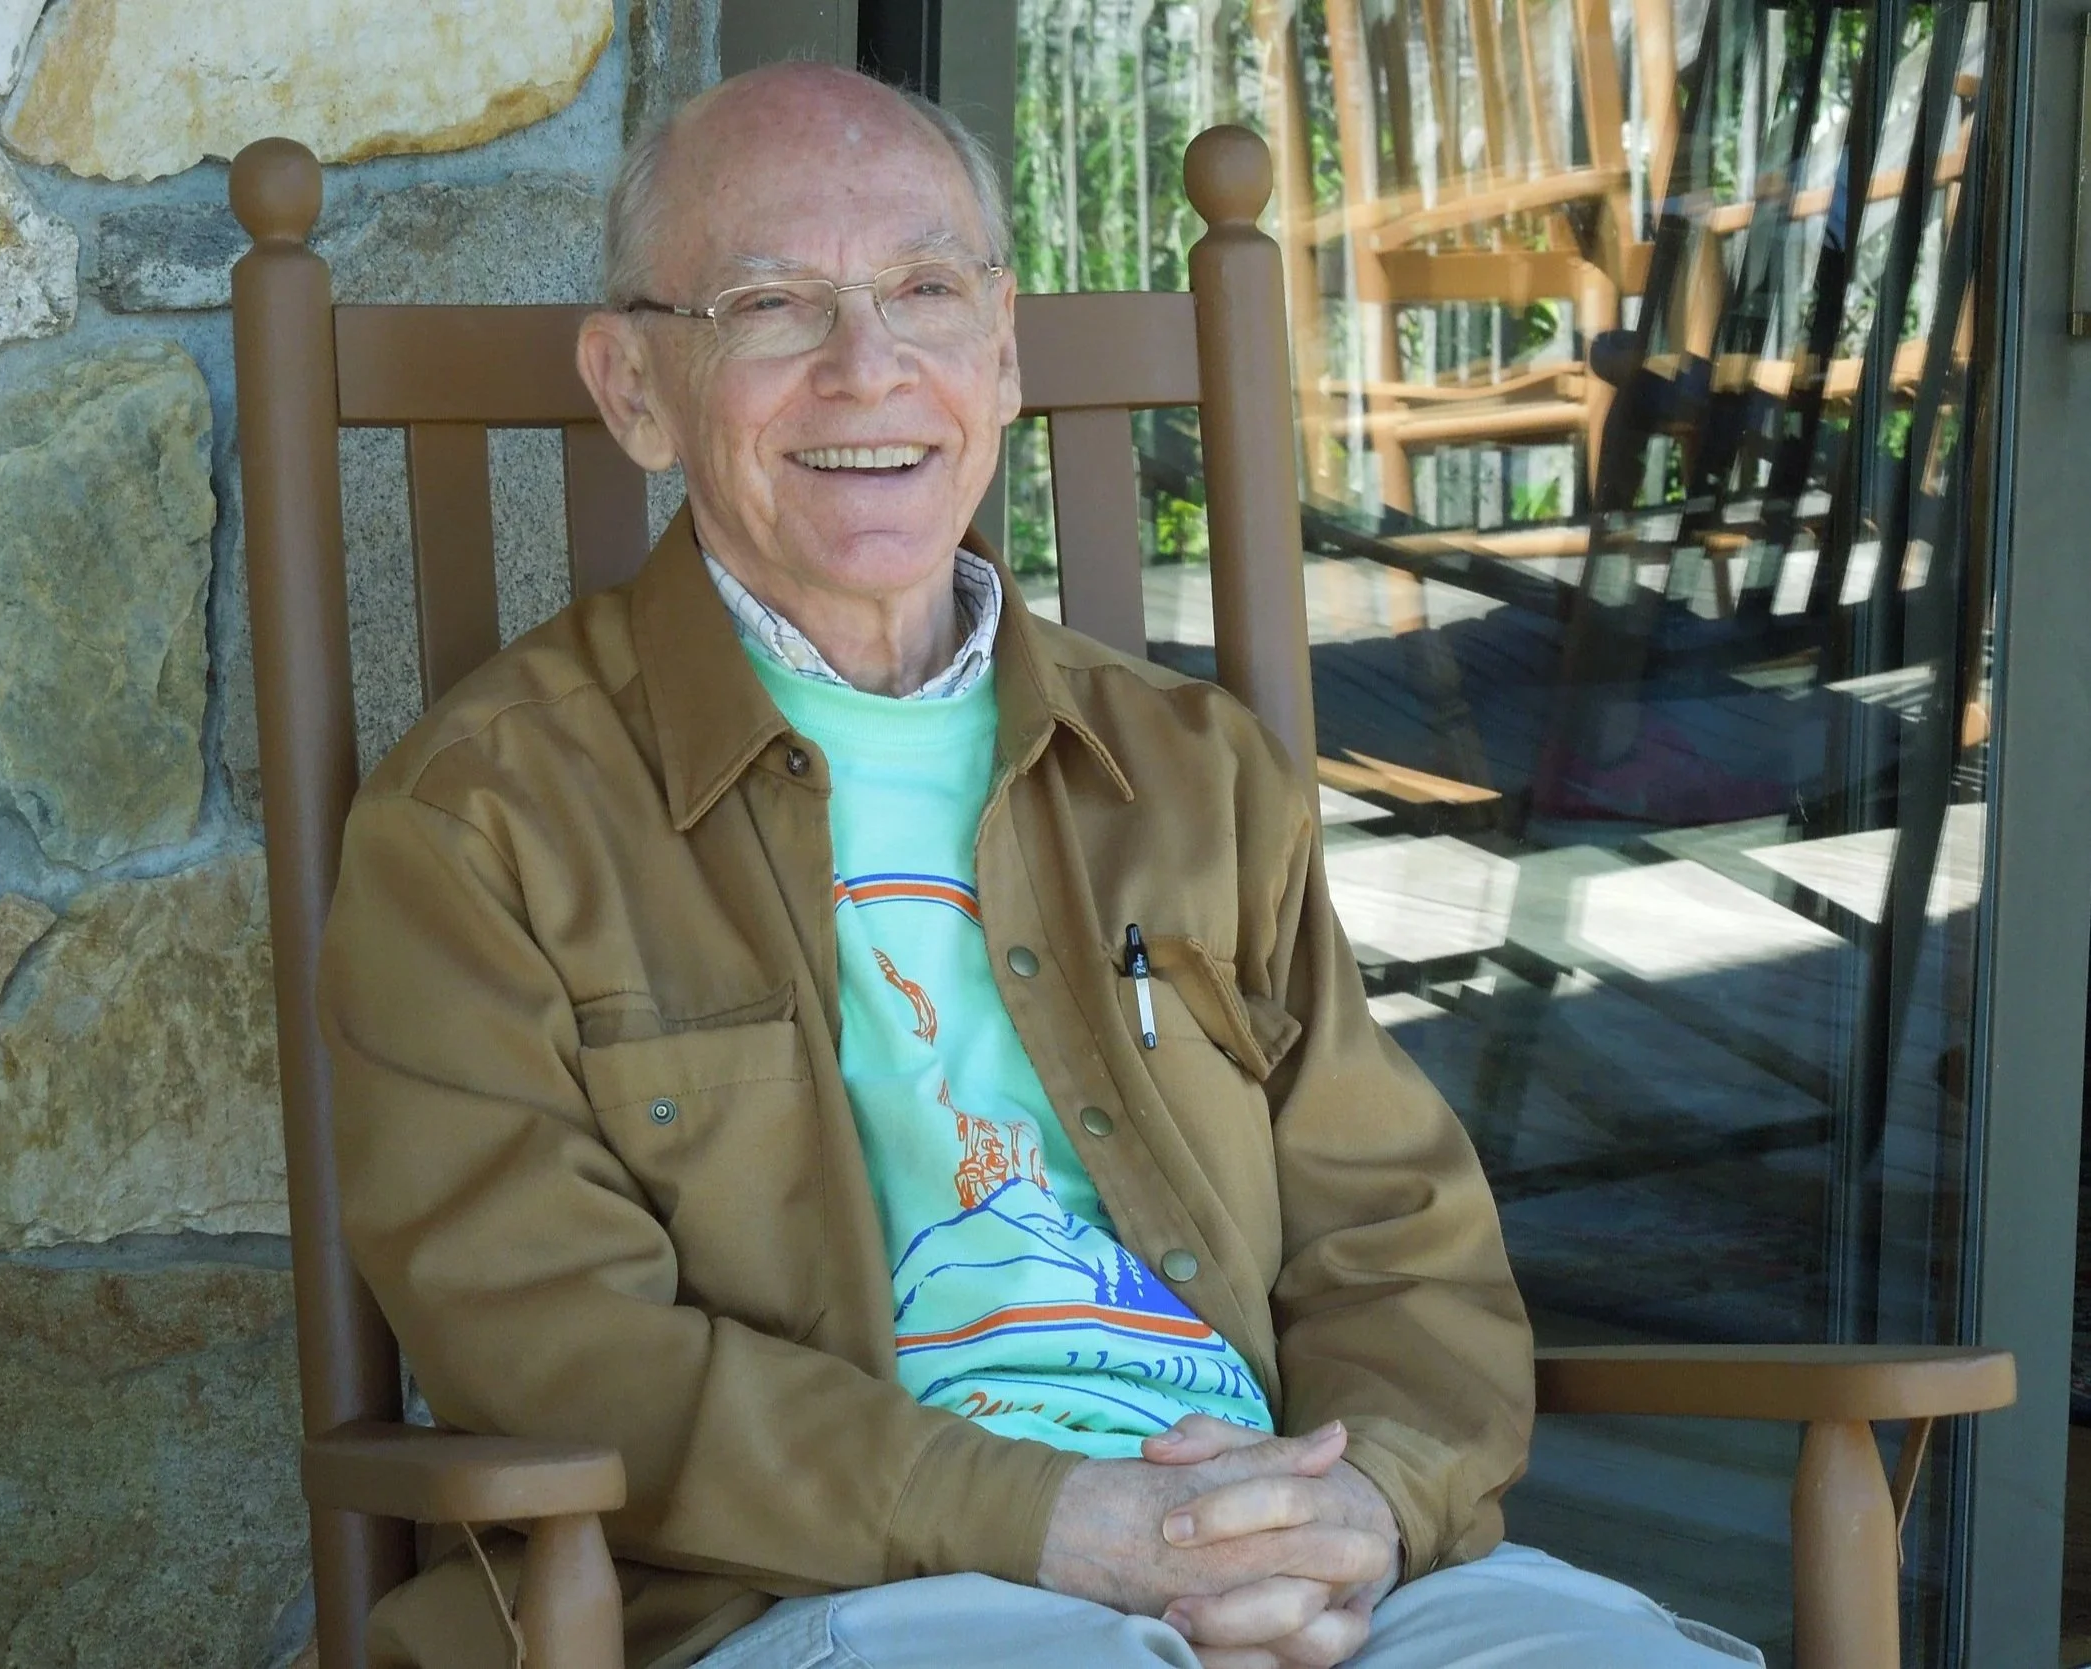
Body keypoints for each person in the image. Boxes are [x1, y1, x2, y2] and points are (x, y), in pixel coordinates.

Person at [318, 61, 1763, 1669]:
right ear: (636, 388)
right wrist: (1059, 1526)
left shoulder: (1193, 772)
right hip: (830, 1592)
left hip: (1311, 1572)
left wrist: (1365, 1514)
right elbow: (556, 1351)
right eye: (771, 305)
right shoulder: (482, 823)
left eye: (925, 293)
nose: (867, 372)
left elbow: (1397, 1243)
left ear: (999, 359)